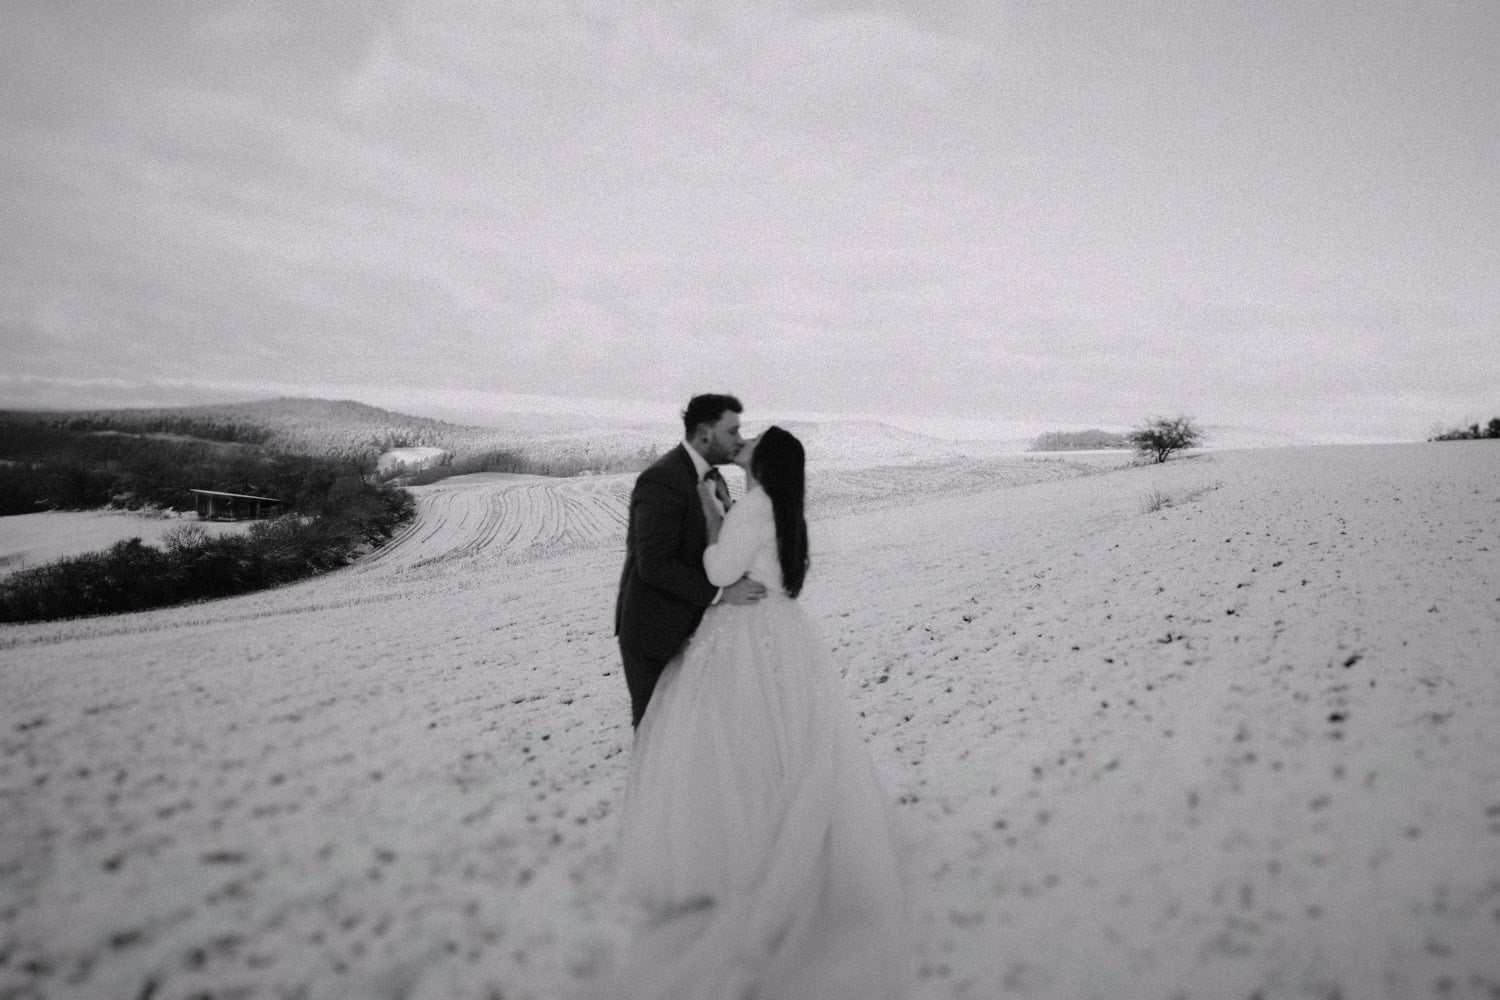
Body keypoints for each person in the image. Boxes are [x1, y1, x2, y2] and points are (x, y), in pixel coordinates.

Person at [607, 426, 909, 999]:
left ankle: (743, 856)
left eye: (751, 443)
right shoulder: (788, 510)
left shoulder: (754, 506)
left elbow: (720, 571)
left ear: (764, 463)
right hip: (785, 633)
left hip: (744, 635)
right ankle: (792, 839)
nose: (740, 444)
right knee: (788, 737)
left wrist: (714, 517)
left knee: (734, 740)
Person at [615, 394, 767, 728]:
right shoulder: (660, 480)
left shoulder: (716, 478)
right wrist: (720, 594)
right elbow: (654, 565)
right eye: (732, 431)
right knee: (656, 735)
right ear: (704, 433)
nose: (739, 439)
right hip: (655, 630)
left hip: (697, 629)